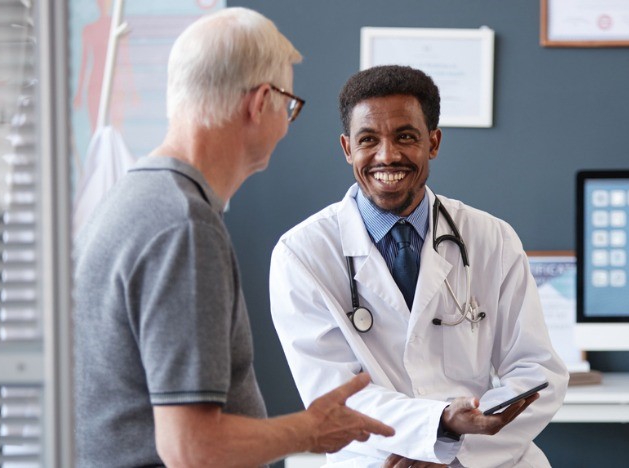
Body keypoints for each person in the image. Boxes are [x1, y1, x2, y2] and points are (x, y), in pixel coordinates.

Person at [73, 8, 393, 467]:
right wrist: (312, 430)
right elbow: (192, 447)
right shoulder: (182, 227)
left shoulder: (131, 197)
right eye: (289, 105)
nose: (286, 121)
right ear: (261, 101)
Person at [269, 65, 569, 467]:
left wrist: (451, 448)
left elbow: (537, 372)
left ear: (434, 142)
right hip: (380, 459)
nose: (387, 155)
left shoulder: (492, 238)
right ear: (346, 148)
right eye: (368, 140)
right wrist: (435, 430)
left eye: (406, 137)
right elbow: (333, 395)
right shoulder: (303, 253)